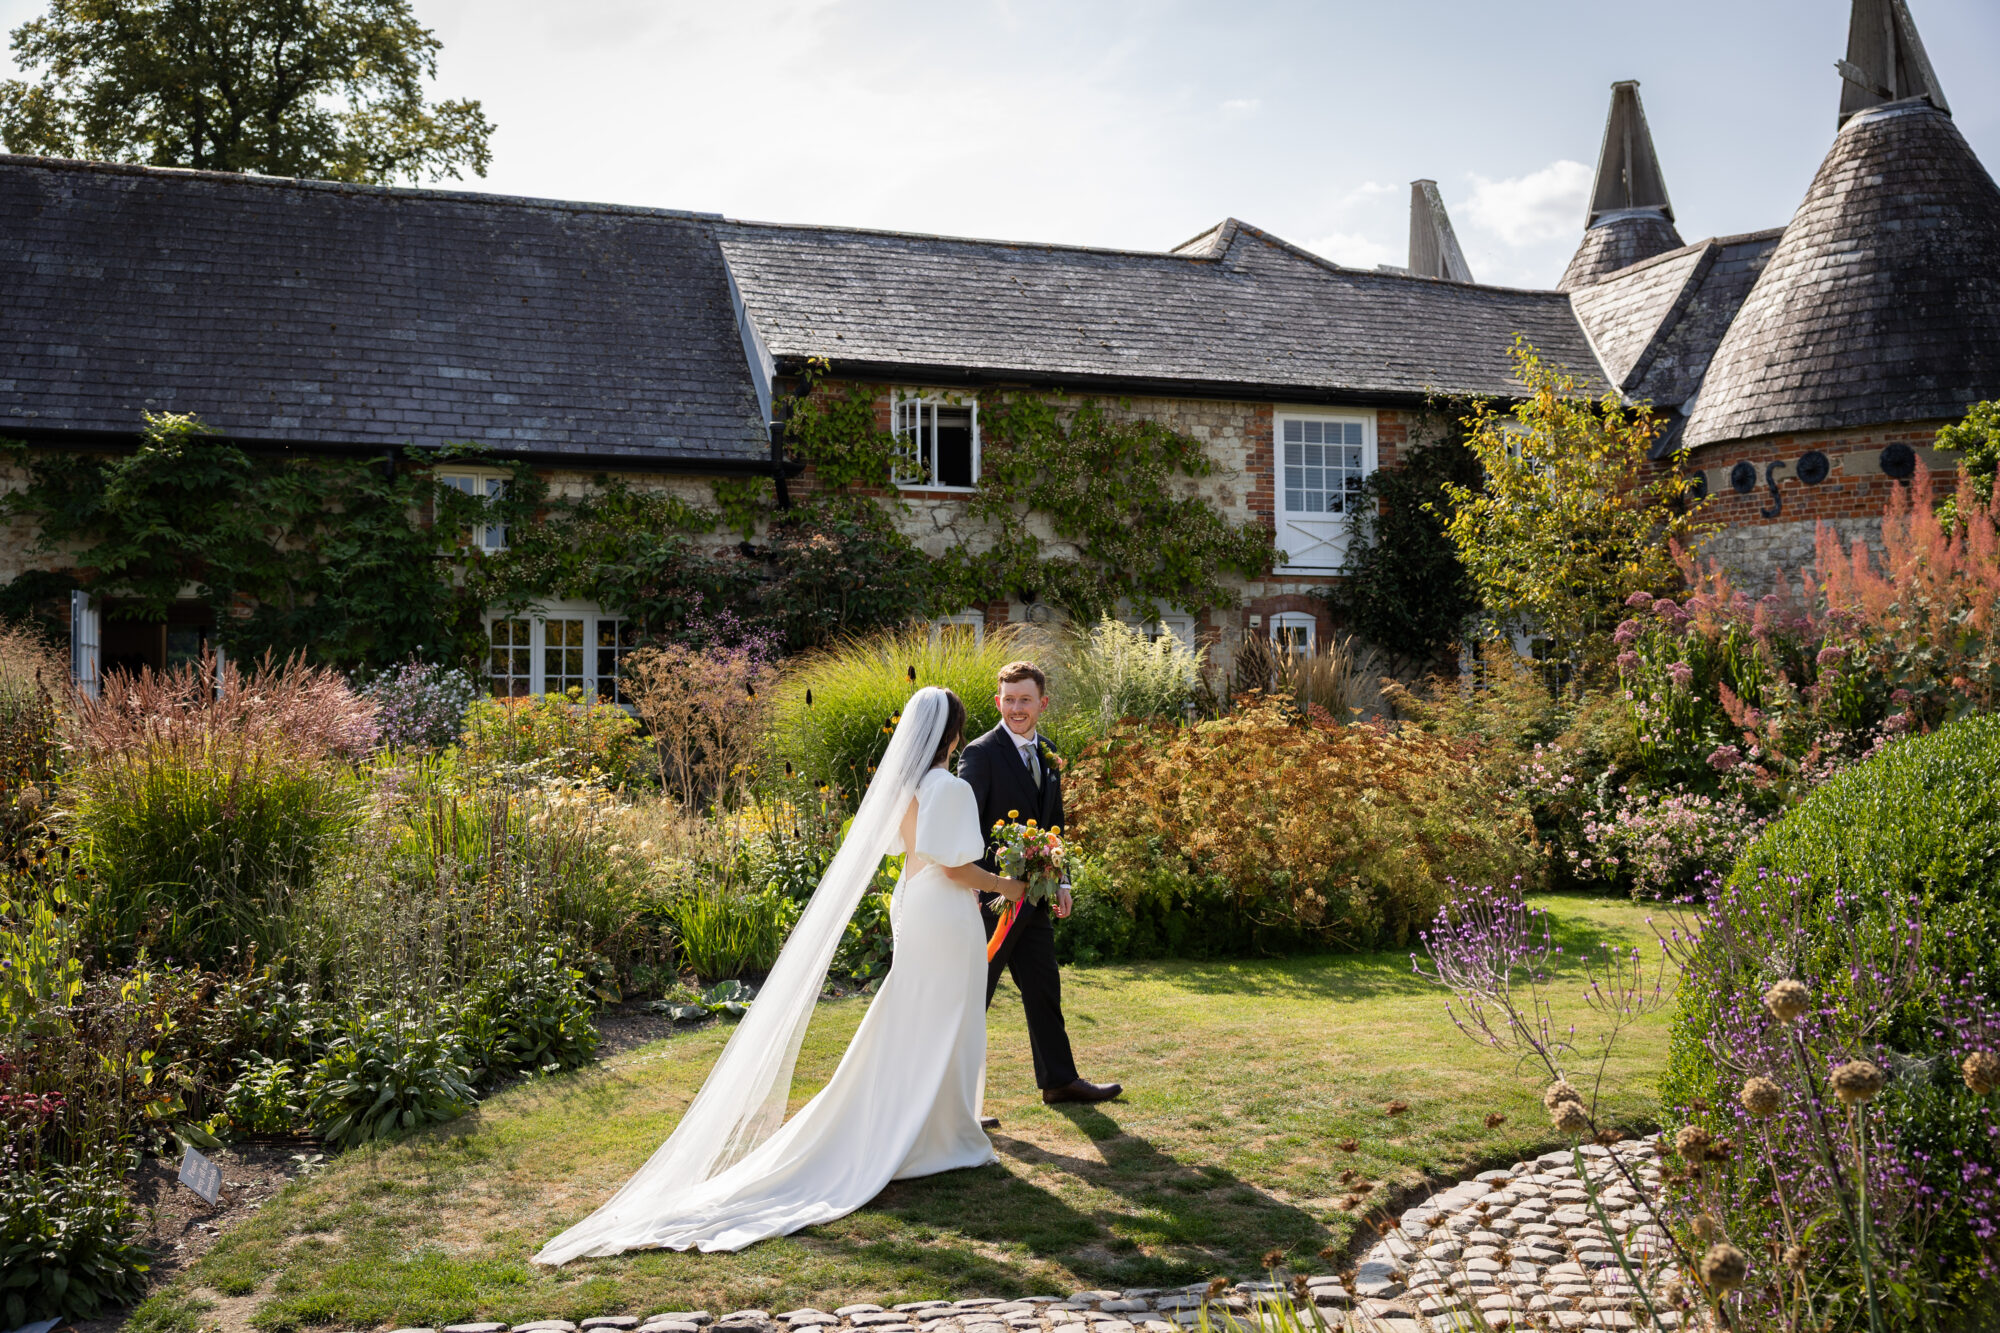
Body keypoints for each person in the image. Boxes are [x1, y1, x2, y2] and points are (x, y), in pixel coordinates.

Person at [532, 687, 1025, 1261]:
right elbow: (959, 869)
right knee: (947, 1012)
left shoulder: (904, 786)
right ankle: (941, 1132)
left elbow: (908, 852)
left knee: (914, 1012)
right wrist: (1008, 885)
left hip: (913, 902)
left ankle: (925, 1122)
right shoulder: (951, 788)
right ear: (953, 736)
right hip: (944, 911)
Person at [957, 660, 1122, 1109]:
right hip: (992, 900)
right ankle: (949, 1099)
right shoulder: (980, 753)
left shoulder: (1048, 752)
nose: (1016, 708)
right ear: (998, 702)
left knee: (1044, 988)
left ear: (1042, 703)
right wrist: (978, 885)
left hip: (1035, 897)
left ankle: (1059, 1082)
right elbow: (965, 823)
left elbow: (1054, 825)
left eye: (1025, 699)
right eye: (1009, 699)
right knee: (974, 995)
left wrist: (1061, 880)